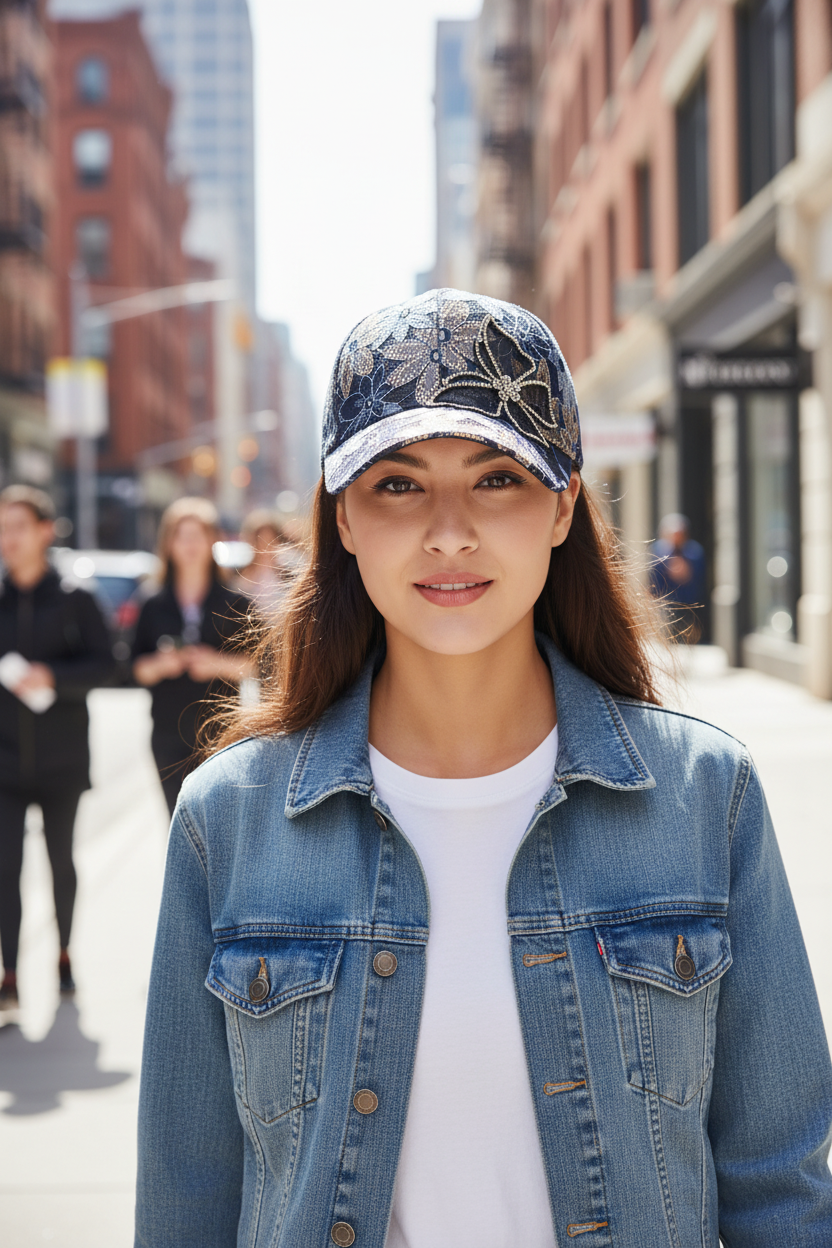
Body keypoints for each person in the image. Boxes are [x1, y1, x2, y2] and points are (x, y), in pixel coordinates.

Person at [135, 291, 832, 1247]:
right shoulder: (231, 819)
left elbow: (781, 1192)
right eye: (399, 484)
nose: (450, 532)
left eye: (499, 478)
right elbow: (184, 1204)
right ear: (343, 519)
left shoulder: (706, 797)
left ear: (563, 507)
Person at [0, 485, 113, 1009]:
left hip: (62, 758)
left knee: (60, 862)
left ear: (45, 531)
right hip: (3, 761)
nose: (8, 539)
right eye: (2, 529)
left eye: (18, 527)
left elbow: (108, 666)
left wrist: (53, 677)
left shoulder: (75, 597)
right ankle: (10, 975)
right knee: (5, 868)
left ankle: (64, 954)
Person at [131, 497, 254, 814]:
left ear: (213, 540)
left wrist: (217, 664)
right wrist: (161, 665)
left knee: (221, 835)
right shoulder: (151, 603)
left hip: (222, 734)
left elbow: (260, 666)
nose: (189, 545)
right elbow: (133, 670)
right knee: (176, 826)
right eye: (181, 536)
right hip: (167, 733)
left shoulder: (237, 604)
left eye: (197, 535)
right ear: (168, 544)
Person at [650, 512, 707, 641]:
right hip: (666, 602)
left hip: (688, 603)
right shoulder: (658, 552)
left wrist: (685, 572)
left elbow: (698, 578)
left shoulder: (694, 552)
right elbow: (653, 577)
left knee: (687, 636)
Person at [232, 509, 296, 614]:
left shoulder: (289, 575)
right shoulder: (239, 573)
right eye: (261, 541)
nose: (265, 547)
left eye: (270, 541)